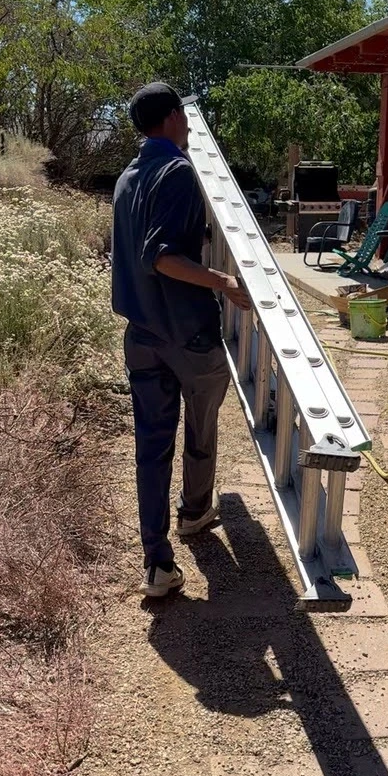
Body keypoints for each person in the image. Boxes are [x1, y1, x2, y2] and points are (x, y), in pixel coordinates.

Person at [111, 82, 251, 598]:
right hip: (186, 335)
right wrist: (226, 284)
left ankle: (158, 566)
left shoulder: (127, 179)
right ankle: (194, 513)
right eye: (186, 119)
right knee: (204, 418)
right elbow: (162, 256)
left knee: (151, 447)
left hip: (141, 335)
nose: (190, 128)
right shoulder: (178, 172)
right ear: (172, 118)